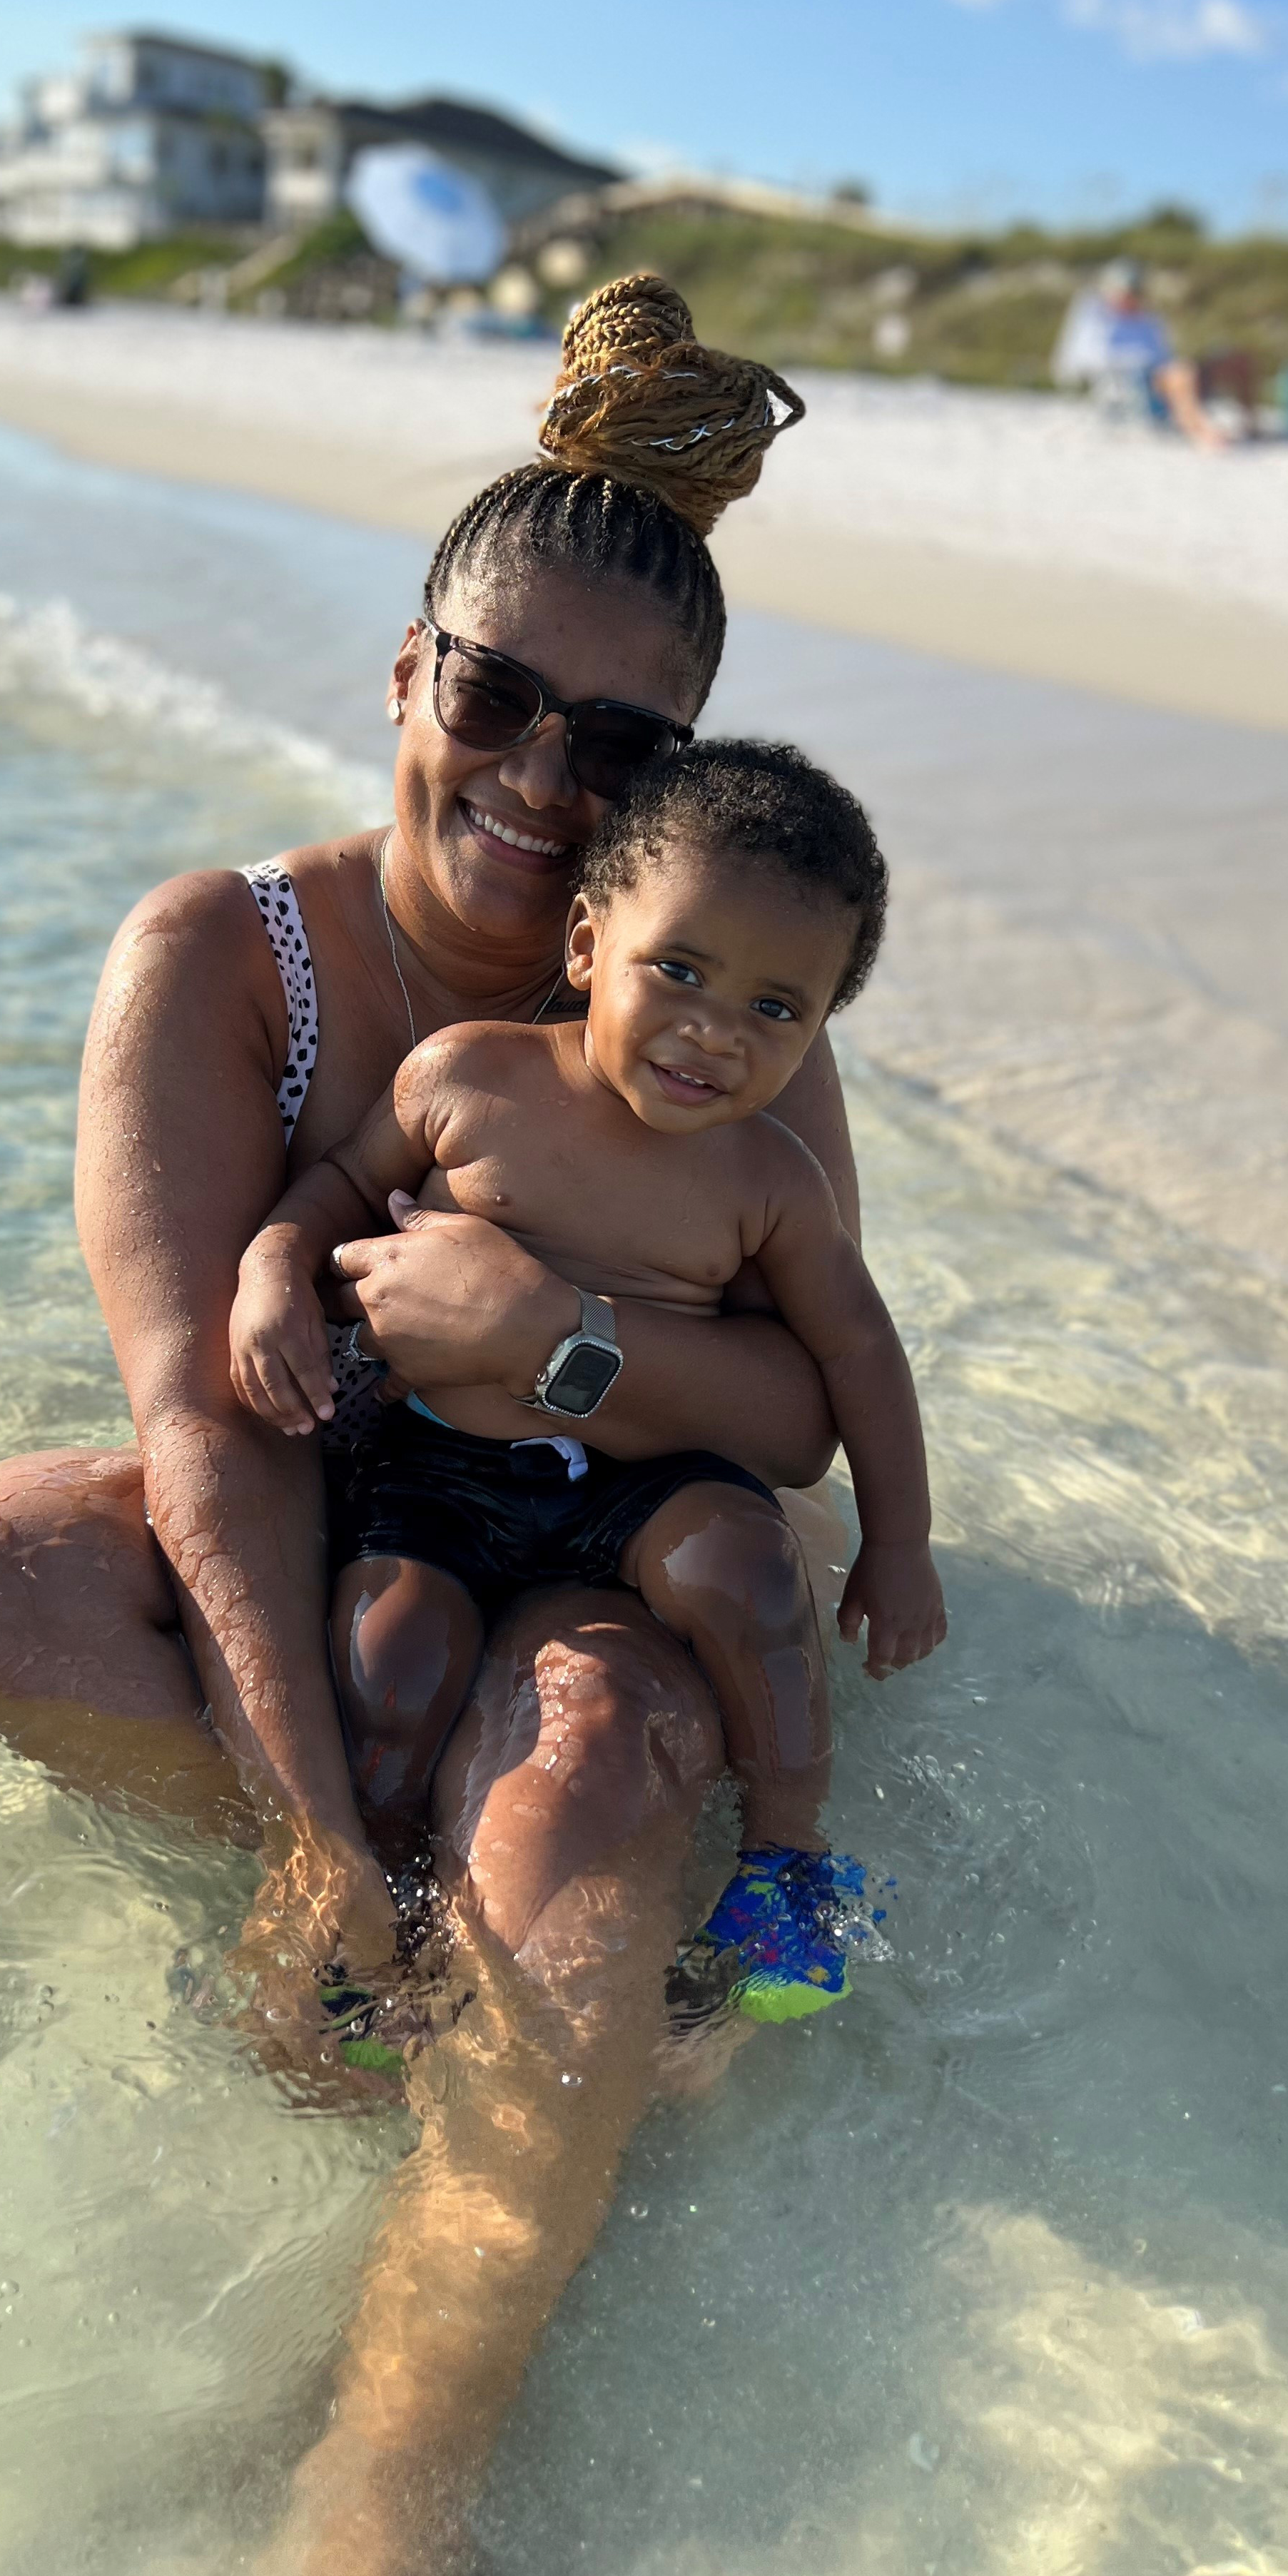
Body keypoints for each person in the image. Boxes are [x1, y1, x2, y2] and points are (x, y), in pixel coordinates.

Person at [0, 273, 866, 2576]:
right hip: (333, 1541)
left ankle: (371, 2528)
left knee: (609, 1768)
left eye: (612, 740)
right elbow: (198, 1425)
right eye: (496, 696)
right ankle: (427, 1904)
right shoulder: (236, 954)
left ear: (678, 776)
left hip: (601, 1567)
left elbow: (808, 1412)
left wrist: (552, 1336)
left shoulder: (707, 988)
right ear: (402, 671)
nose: (538, 775)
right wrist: (312, 1825)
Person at [228, 738, 947, 2022]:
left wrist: (900, 1544)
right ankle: (388, 1923)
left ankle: (783, 1867)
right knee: (388, 1661)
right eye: (676, 969)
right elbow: (330, 1193)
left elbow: (855, 1355)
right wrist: (274, 1270)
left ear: (819, 1027)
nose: (712, 1032)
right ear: (583, 949)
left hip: (639, 1475)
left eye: (774, 1009)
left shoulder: (768, 1183)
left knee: (747, 1571)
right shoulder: (467, 1078)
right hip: (439, 1468)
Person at [1052, 255, 1252, 453]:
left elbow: (1165, 354)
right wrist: (1146, 363)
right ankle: (1201, 432)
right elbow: (1085, 359)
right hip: (1136, 381)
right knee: (1180, 375)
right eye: (1127, 291)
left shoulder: (1148, 319)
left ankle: (1250, 424)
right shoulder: (1095, 318)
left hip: (1165, 374)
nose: (1131, 297)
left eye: (1135, 291)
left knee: (1236, 361)